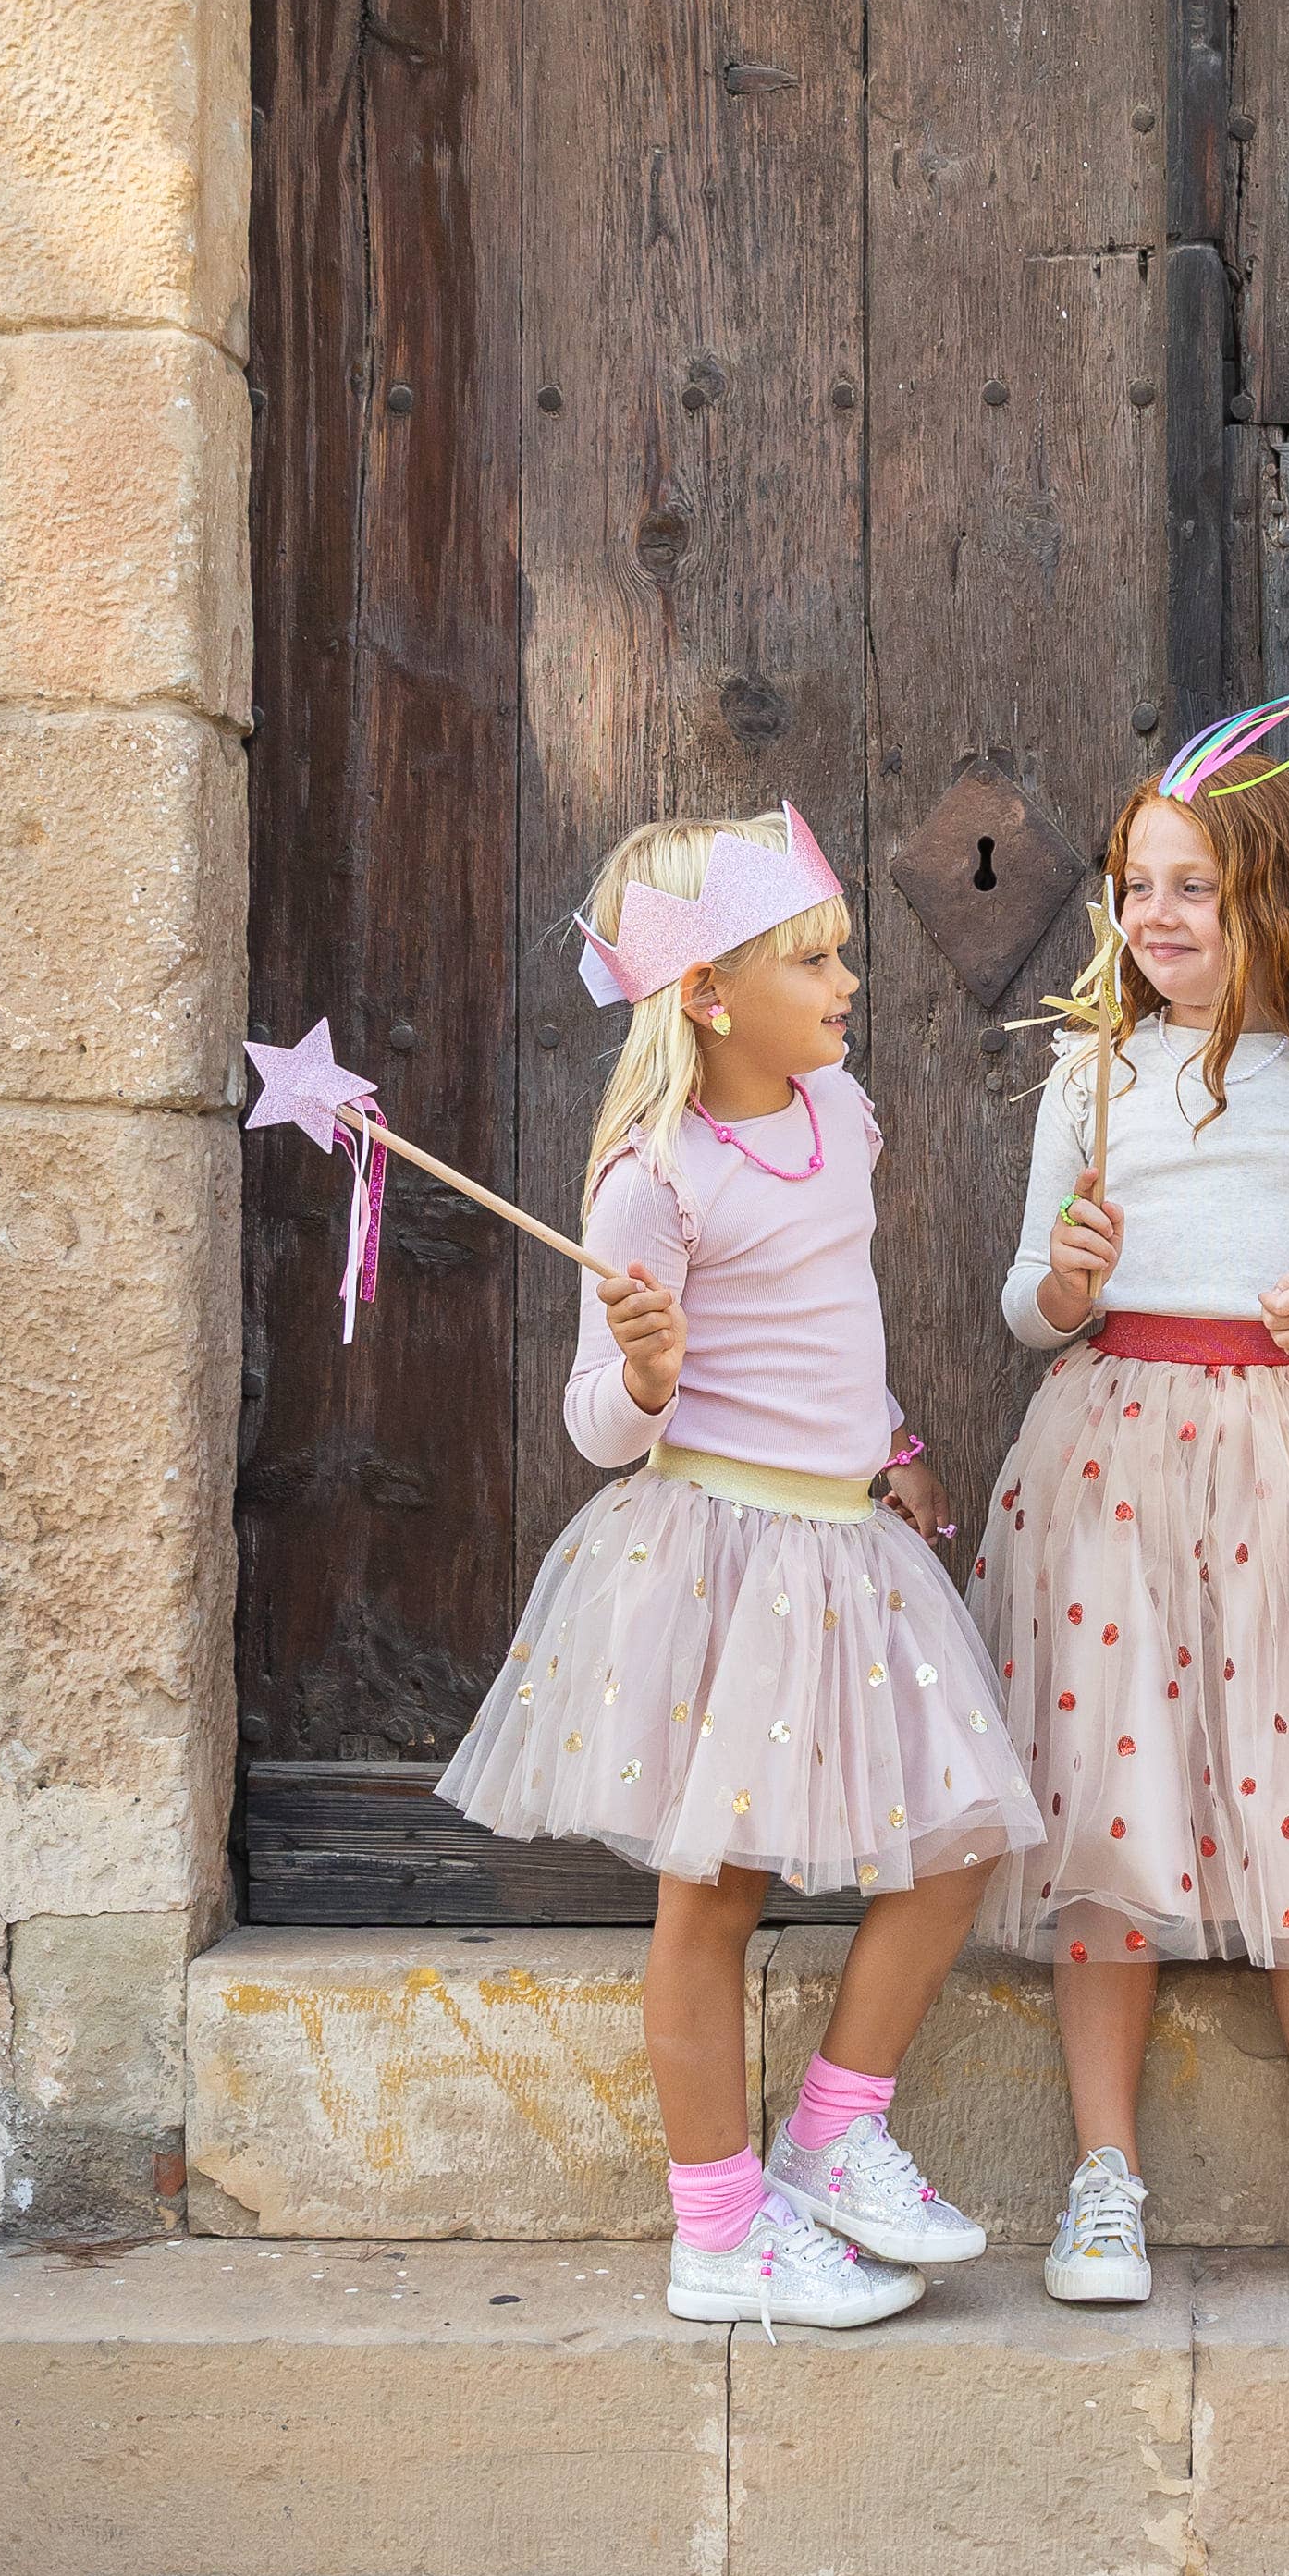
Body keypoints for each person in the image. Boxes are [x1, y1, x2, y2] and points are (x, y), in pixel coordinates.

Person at [436, 803, 1041, 2329]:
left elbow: (831, 1314)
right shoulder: (653, 1178)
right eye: (812, 959)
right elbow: (596, 1426)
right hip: (720, 1557)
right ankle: (715, 2233)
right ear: (707, 992)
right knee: (713, 1896)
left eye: (840, 953)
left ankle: (834, 2137)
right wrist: (646, 1375)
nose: (848, 982)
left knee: (959, 1839)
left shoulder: (844, 1114)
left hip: (847, 1543)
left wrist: (890, 1438)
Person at [975, 752, 1289, 2311]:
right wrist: (1068, 1283)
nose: (1155, 914)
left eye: (1192, 886)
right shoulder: (1091, 1073)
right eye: (1135, 887)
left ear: (1276, 896)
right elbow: (1025, 1304)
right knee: (1107, 1790)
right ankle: (1104, 2175)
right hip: (1115, 1453)